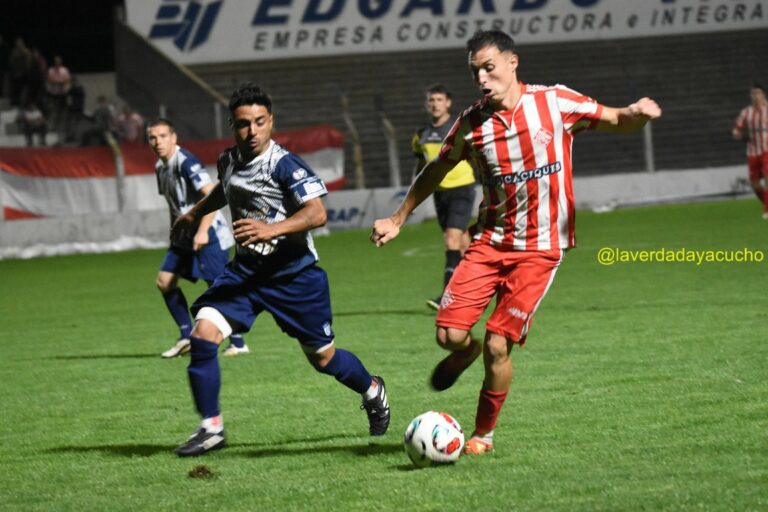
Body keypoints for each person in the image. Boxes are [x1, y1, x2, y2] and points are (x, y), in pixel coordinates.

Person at [371, 30, 661, 455]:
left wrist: (639, 114)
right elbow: (436, 168)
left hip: (540, 249)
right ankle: (463, 353)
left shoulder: (555, 102)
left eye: (489, 68)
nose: (482, 79)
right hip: (489, 242)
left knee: (497, 343)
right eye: (475, 72)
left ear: (512, 62)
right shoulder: (472, 124)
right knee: (449, 336)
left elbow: (617, 118)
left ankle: (483, 435)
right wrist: (398, 217)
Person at [169, 83, 390, 457]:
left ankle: (372, 389)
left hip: (294, 277)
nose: (252, 131)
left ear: (271, 121)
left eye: (259, 122)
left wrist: (270, 229)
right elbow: (225, 189)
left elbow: (317, 213)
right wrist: (195, 213)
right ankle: (211, 428)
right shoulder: (228, 160)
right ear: (233, 126)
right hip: (246, 273)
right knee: (204, 335)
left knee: (323, 358)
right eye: (243, 124)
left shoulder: (285, 164)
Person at [147, 118, 250, 359]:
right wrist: (174, 232)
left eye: (162, 136)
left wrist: (203, 231)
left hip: (209, 232)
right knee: (164, 281)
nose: (158, 142)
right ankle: (186, 336)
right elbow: (174, 205)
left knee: (217, 286)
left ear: (173, 138)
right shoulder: (160, 167)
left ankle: (238, 342)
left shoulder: (186, 162)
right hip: (185, 235)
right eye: (152, 137)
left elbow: (211, 195)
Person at [412, 84, 477, 310]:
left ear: (448, 103)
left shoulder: (458, 129)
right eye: (431, 100)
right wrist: (414, 195)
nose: (435, 104)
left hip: (462, 189)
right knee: (462, 245)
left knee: (451, 240)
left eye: (439, 100)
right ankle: (482, 282)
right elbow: (422, 166)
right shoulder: (420, 135)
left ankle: (448, 297)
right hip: (439, 194)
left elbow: (475, 156)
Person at [732, 82, 768, 219]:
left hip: (766, 150)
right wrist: (737, 134)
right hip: (752, 152)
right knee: (754, 184)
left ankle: (766, 210)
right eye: (754, 94)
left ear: (763, 94)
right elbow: (737, 128)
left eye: (758, 93)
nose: (756, 96)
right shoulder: (746, 112)